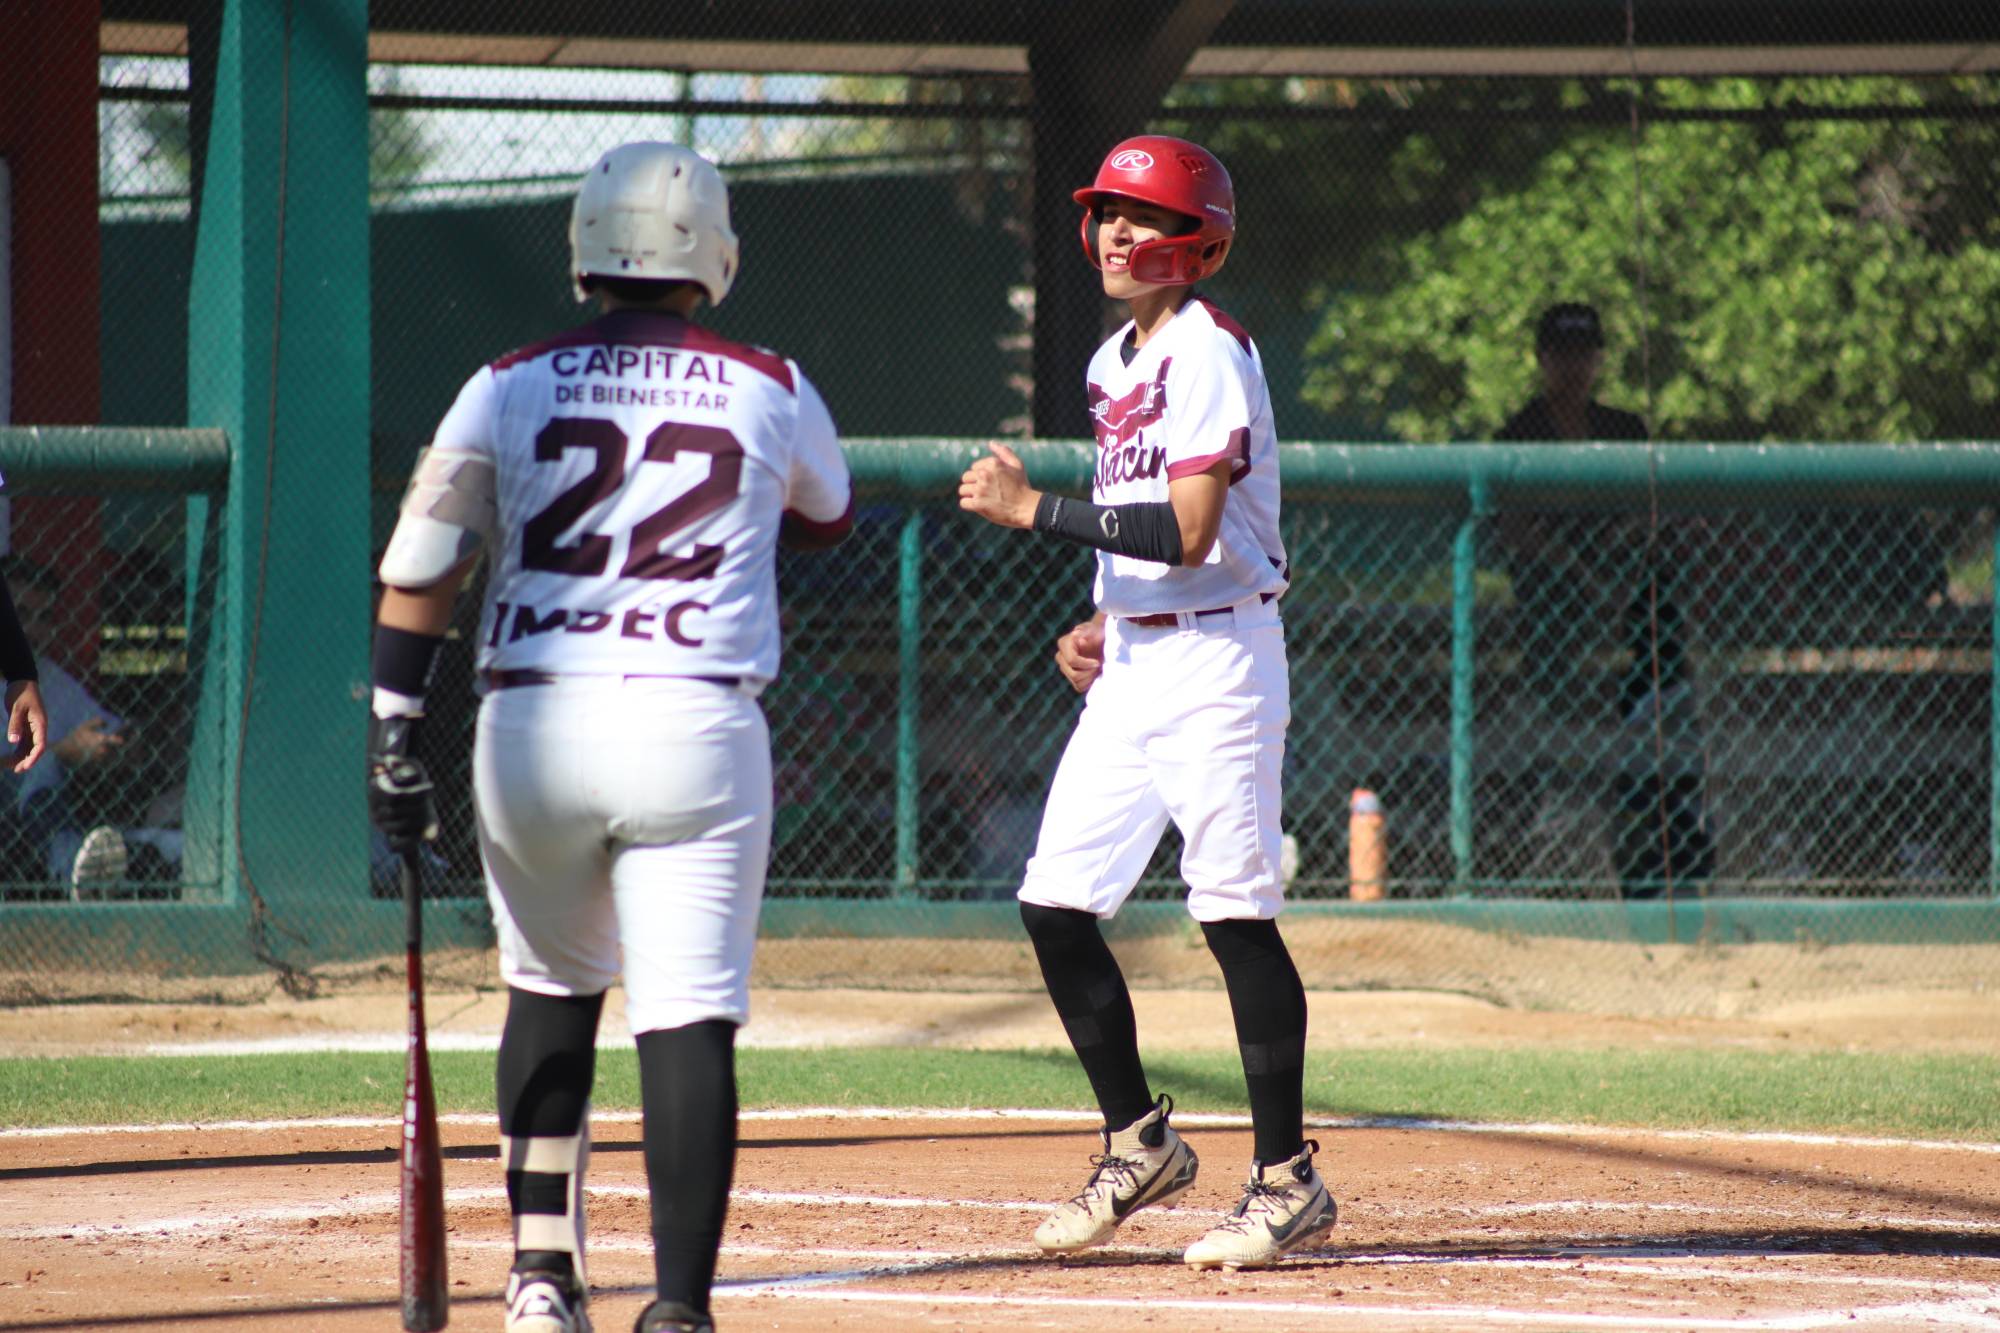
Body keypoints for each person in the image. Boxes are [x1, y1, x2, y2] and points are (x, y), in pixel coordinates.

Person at [366, 141, 853, 1333]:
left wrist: (393, 728)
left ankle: (540, 1281)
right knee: (685, 1015)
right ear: (715, 256)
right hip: (693, 717)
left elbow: (420, 569)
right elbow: (827, 513)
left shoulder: (505, 380)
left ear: (582, 249)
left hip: (532, 718)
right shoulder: (768, 380)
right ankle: (678, 1306)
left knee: (548, 989)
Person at [958, 135, 1333, 1271]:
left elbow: (1185, 530)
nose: (1117, 233)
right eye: (1108, 213)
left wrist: (1033, 513)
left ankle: (1285, 1180)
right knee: (1053, 902)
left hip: (1220, 663)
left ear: (1194, 239)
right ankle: (1139, 1141)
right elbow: (1142, 536)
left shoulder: (1208, 348)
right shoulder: (1114, 360)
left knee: (1229, 914)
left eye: (1143, 215)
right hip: (1135, 663)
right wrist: (1102, 618)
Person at [1495, 303, 1714, 898]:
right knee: (1565, 757)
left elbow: (1649, 516)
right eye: (1561, 354)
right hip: (1556, 612)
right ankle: (1558, 872)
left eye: (1584, 354)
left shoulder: (1624, 429)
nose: (1574, 366)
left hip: (1628, 605)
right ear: (1542, 360)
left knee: (1657, 712)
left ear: (1599, 360)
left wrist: (1614, 573)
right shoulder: (1520, 433)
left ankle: (1665, 854)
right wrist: (1581, 574)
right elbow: (1513, 529)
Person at [1, 558, 181, 895]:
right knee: (39, 765)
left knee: (164, 822)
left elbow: (111, 733)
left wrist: (115, 746)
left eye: (44, 618)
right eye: (22, 614)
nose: (33, 630)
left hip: (41, 826)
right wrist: (65, 752)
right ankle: (73, 871)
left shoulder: (48, 676)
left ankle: (141, 857)